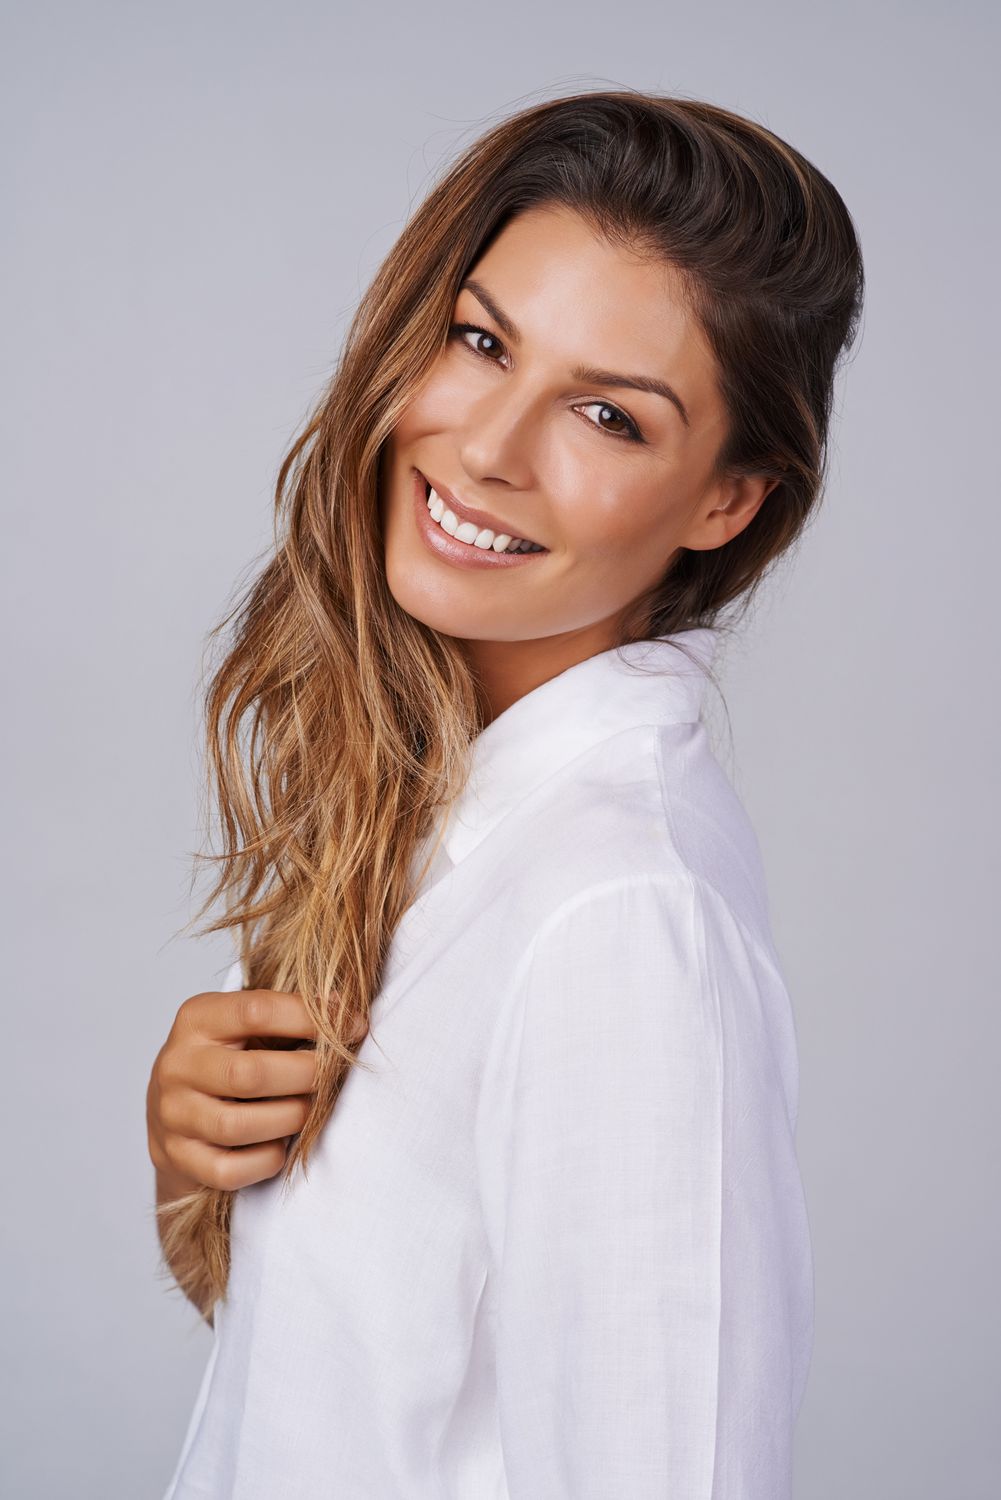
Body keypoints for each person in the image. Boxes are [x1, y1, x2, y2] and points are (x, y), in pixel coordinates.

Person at [146, 88, 864, 1498]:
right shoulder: (446, 808)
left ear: (725, 501)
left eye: (606, 414)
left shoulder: (617, 910)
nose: (486, 447)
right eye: (481, 342)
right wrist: (196, 1175)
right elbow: (358, 1411)